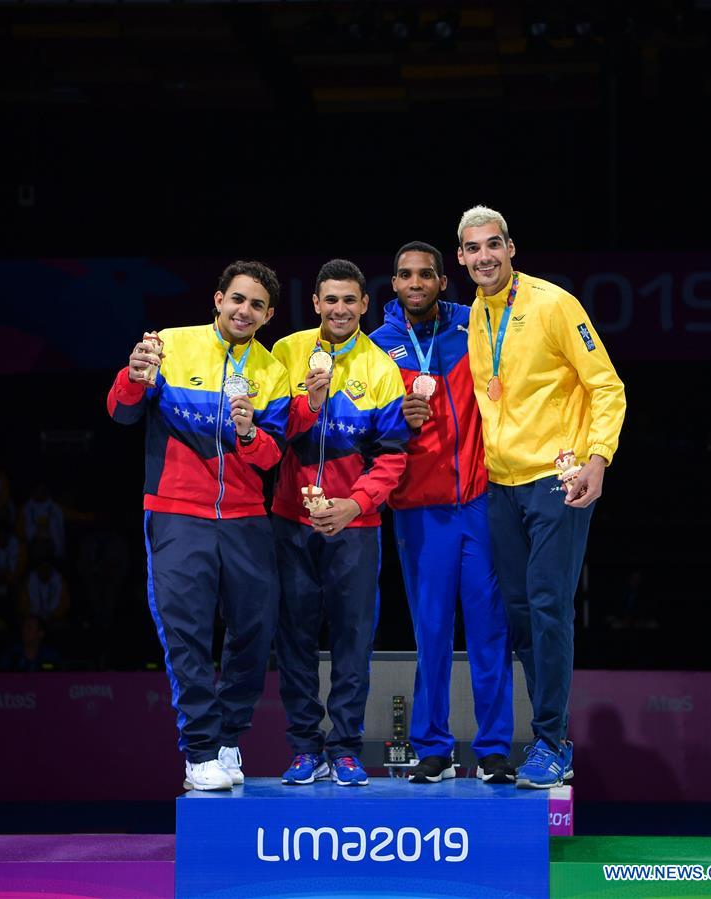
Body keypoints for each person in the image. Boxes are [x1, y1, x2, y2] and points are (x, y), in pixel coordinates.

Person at [458, 205, 626, 788]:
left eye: (493, 245)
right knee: (522, 613)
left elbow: (606, 385)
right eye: (473, 249)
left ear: (511, 248)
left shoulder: (554, 305)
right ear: (462, 257)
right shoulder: (473, 317)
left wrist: (597, 459)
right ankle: (545, 738)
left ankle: (552, 742)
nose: (484, 257)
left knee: (551, 605)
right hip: (500, 485)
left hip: (559, 479)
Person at [107, 260, 289, 792]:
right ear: (217, 299)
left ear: (268, 315)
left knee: (254, 633)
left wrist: (251, 433)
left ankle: (230, 738)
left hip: (245, 518)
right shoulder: (170, 344)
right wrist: (132, 376)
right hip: (176, 512)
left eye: (256, 304)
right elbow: (121, 411)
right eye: (237, 299)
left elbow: (272, 455)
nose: (244, 310)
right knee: (186, 635)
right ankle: (201, 752)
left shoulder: (271, 370)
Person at [369, 242, 515, 785]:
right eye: (405, 274)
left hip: (477, 501)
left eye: (425, 274)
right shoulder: (380, 348)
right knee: (431, 629)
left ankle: (495, 748)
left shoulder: (470, 329)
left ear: (442, 281)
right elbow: (368, 432)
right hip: (418, 509)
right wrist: (397, 420)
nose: (415, 282)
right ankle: (434, 747)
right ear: (393, 283)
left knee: (488, 630)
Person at [271, 258, 408, 787]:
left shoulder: (381, 368)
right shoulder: (285, 353)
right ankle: (305, 747)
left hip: (356, 526)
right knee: (296, 636)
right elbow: (270, 432)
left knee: (353, 638)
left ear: (364, 304)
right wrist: (310, 397)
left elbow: (393, 455)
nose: (340, 309)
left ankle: (346, 746)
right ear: (315, 304)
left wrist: (355, 503)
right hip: (292, 521)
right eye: (331, 300)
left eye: (350, 300)